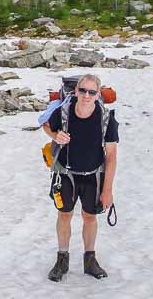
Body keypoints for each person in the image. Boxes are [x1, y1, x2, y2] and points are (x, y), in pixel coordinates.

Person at [42, 74, 118, 282]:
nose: (86, 95)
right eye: (82, 90)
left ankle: (90, 259)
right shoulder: (64, 111)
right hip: (65, 174)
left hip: (94, 175)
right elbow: (46, 125)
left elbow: (111, 156)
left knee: (89, 217)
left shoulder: (106, 118)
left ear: (98, 94)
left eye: (92, 92)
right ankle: (62, 259)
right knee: (64, 214)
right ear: (75, 91)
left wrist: (108, 190)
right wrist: (54, 136)